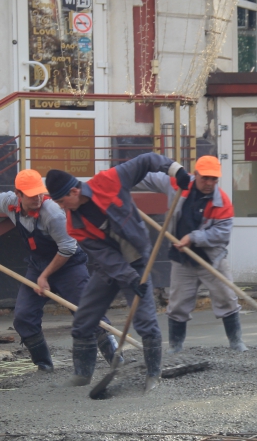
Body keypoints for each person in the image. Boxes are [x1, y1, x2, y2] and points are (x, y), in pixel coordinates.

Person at [46, 153, 191, 390]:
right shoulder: (75, 224)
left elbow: (147, 161)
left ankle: (154, 374)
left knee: (145, 320)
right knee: (84, 318)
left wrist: (176, 170)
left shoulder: (109, 180)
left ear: (74, 192)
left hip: (137, 260)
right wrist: (129, 278)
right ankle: (82, 374)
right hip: (110, 269)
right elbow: (106, 256)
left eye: (61, 202)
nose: (61, 208)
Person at [1, 170, 120, 372]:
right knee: (23, 316)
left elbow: (68, 248)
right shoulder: (8, 203)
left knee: (88, 313)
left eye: (39, 192)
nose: (37, 198)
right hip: (37, 264)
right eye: (31, 195)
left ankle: (118, 361)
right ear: (18, 194)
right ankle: (44, 365)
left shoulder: (52, 213)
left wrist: (45, 276)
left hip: (69, 265)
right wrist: (41, 273)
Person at [135, 155, 245, 354]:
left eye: (214, 179)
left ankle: (236, 343)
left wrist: (193, 237)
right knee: (178, 303)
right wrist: (122, 180)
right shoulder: (179, 184)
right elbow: (149, 178)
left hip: (212, 259)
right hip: (182, 259)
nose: (210, 183)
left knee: (227, 298)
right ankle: (175, 347)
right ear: (195, 175)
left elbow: (222, 232)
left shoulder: (222, 202)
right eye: (205, 178)